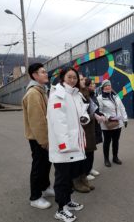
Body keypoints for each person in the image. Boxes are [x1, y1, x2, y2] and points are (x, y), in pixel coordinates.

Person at [47, 67, 89, 222]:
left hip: (75, 144)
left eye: (75, 77)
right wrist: (64, 145)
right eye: (69, 77)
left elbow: (82, 112)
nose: (73, 80)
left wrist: (85, 118)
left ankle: (68, 201)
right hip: (64, 147)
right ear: (62, 78)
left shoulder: (75, 94)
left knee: (70, 177)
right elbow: (58, 122)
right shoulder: (58, 95)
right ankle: (61, 209)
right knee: (62, 179)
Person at [22, 63, 54, 210]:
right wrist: (44, 141)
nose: (46, 74)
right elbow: (37, 120)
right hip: (38, 138)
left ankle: (45, 188)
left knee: (46, 164)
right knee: (38, 166)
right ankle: (35, 197)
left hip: (43, 137)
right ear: (34, 75)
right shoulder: (34, 93)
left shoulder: (41, 90)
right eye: (42, 72)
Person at [97, 79, 128, 167]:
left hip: (118, 123)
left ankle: (115, 157)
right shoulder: (100, 98)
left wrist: (125, 119)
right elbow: (99, 111)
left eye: (109, 85)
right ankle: (106, 159)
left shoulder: (116, 96)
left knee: (116, 141)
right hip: (107, 124)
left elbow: (122, 108)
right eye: (106, 85)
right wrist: (108, 117)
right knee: (107, 142)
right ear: (103, 87)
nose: (108, 87)